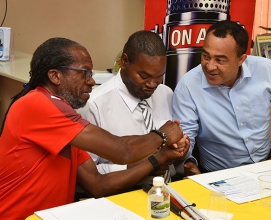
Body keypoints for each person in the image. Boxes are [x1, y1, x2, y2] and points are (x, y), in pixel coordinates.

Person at [0, 37, 189, 220]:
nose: (91, 81)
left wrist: (159, 159)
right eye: (85, 73)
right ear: (55, 76)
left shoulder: (69, 122)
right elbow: (122, 150)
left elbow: (98, 185)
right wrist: (163, 134)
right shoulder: (36, 104)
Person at [172, 20, 271, 175]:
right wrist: (188, 162)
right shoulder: (188, 86)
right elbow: (186, 137)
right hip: (219, 174)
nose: (210, 66)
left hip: (266, 164)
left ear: (241, 59)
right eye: (205, 56)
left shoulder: (266, 70)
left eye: (220, 60)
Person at [78, 30, 185, 182]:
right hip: (122, 194)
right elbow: (89, 173)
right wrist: (139, 166)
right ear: (124, 61)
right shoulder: (94, 105)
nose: (152, 84)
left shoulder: (165, 93)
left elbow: (170, 149)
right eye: (144, 76)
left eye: (159, 76)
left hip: (169, 189)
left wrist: (179, 147)